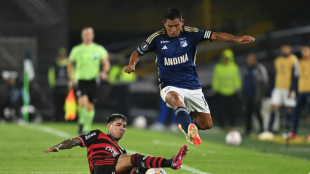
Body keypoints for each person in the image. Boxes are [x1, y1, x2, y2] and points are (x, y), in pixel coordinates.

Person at [125, 7, 255, 146]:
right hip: (169, 85)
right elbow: (137, 52)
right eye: (170, 26)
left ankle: (186, 125)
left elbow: (215, 35)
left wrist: (237, 39)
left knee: (206, 123)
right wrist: (132, 64)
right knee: (176, 99)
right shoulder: (157, 38)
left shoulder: (191, 33)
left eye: (177, 26)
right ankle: (189, 130)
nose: (173, 29)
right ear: (164, 24)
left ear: (182, 22)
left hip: (192, 85)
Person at [43, 113, 188, 174]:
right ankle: (170, 162)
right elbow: (75, 141)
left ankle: (164, 166)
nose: (122, 128)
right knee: (134, 159)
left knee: (144, 169)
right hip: (100, 167)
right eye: (118, 124)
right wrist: (58, 146)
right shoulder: (97, 135)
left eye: (124, 126)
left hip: (112, 169)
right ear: (109, 126)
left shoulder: (121, 150)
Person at [67, 26, 110, 134]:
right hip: (81, 79)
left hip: (93, 80)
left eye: (89, 34)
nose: (87, 36)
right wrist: (71, 78)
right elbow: (70, 65)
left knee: (90, 105)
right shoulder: (77, 49)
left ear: (92, 36)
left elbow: (106, 63)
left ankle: (87, 126)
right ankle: (81, 123)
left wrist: (104, 72)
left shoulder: (98, 49)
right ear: (82, 36)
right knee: (82, 102)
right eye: (85, 34)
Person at [267, 44, 298, 134]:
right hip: (278, 88)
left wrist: (293, 89)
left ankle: (288, 130)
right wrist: (272, 87)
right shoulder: (277, 60)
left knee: (289, 108)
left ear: (290, 49)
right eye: (283, 48)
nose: (285, 50)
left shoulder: (294, 60)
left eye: (286, 48)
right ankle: (269, 129)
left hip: (288, 88)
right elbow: (274, 75)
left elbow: (295, 75)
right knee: (274, 107)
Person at [212, 49, 242, 129]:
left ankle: (233, 124)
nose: (226, 59)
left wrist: (238, 89)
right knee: (221, 110)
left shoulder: (234, 68)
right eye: (225, 58)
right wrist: (215, 89)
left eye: (227, 58)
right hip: (221, 92)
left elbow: (236, 79)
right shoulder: (218, 68)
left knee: (232, 110)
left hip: (232, 92)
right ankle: (221, 125)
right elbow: (216, 79)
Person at [242, 53, 268, 136]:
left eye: (251, 59)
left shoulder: (260, 68)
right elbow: (243, 82)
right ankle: (248, 131)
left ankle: (262, 130)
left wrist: (262, 94)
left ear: (255, 60)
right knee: (248, 114)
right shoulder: (245, 69)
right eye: (248, 59)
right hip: (247, 95)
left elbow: (265, 81)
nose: (249, 61)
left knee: (258, 113)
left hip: (256, 96)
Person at [290, 45, 310, 141]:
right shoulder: (299, 63)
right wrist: (293, 90)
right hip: (302, 91)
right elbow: (295, 78)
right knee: (296, 111)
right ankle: (294, 132)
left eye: (306, 51)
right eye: (303, 51)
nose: (305, 52)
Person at [48, 48, 69, 122]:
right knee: (57, 103)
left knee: (67, 104)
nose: (62, 56)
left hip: (66, 87)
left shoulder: (69, 64)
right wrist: (53, 84)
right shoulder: (54, 64)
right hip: (57, 87)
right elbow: (51, 75)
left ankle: (66, 118)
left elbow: (72, 73)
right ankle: (57, 118)